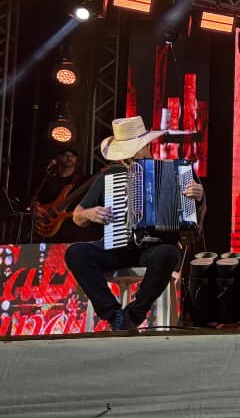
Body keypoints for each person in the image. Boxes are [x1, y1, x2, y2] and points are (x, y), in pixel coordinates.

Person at [64, 116, 204, 331]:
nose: (127, 158)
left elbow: (197, 220)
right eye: (123, 153)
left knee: (168, 253)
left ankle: (133, 315)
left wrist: (199, 196)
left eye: (132, 151)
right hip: (117, 247)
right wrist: (90, 213)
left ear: (147, 146)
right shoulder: (109, 177)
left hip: (155, 248)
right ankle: (114, 315)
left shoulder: (179, 171)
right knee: (76, 253)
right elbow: (77, 216)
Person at [31, 148, 96, 242]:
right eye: (66, 155)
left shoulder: (82, 180)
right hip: (50, 232)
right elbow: (37, 200)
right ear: (58, 158)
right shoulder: (48, 180)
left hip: (73, 233)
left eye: (73, 156)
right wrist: (36, 207)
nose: (69, 158)